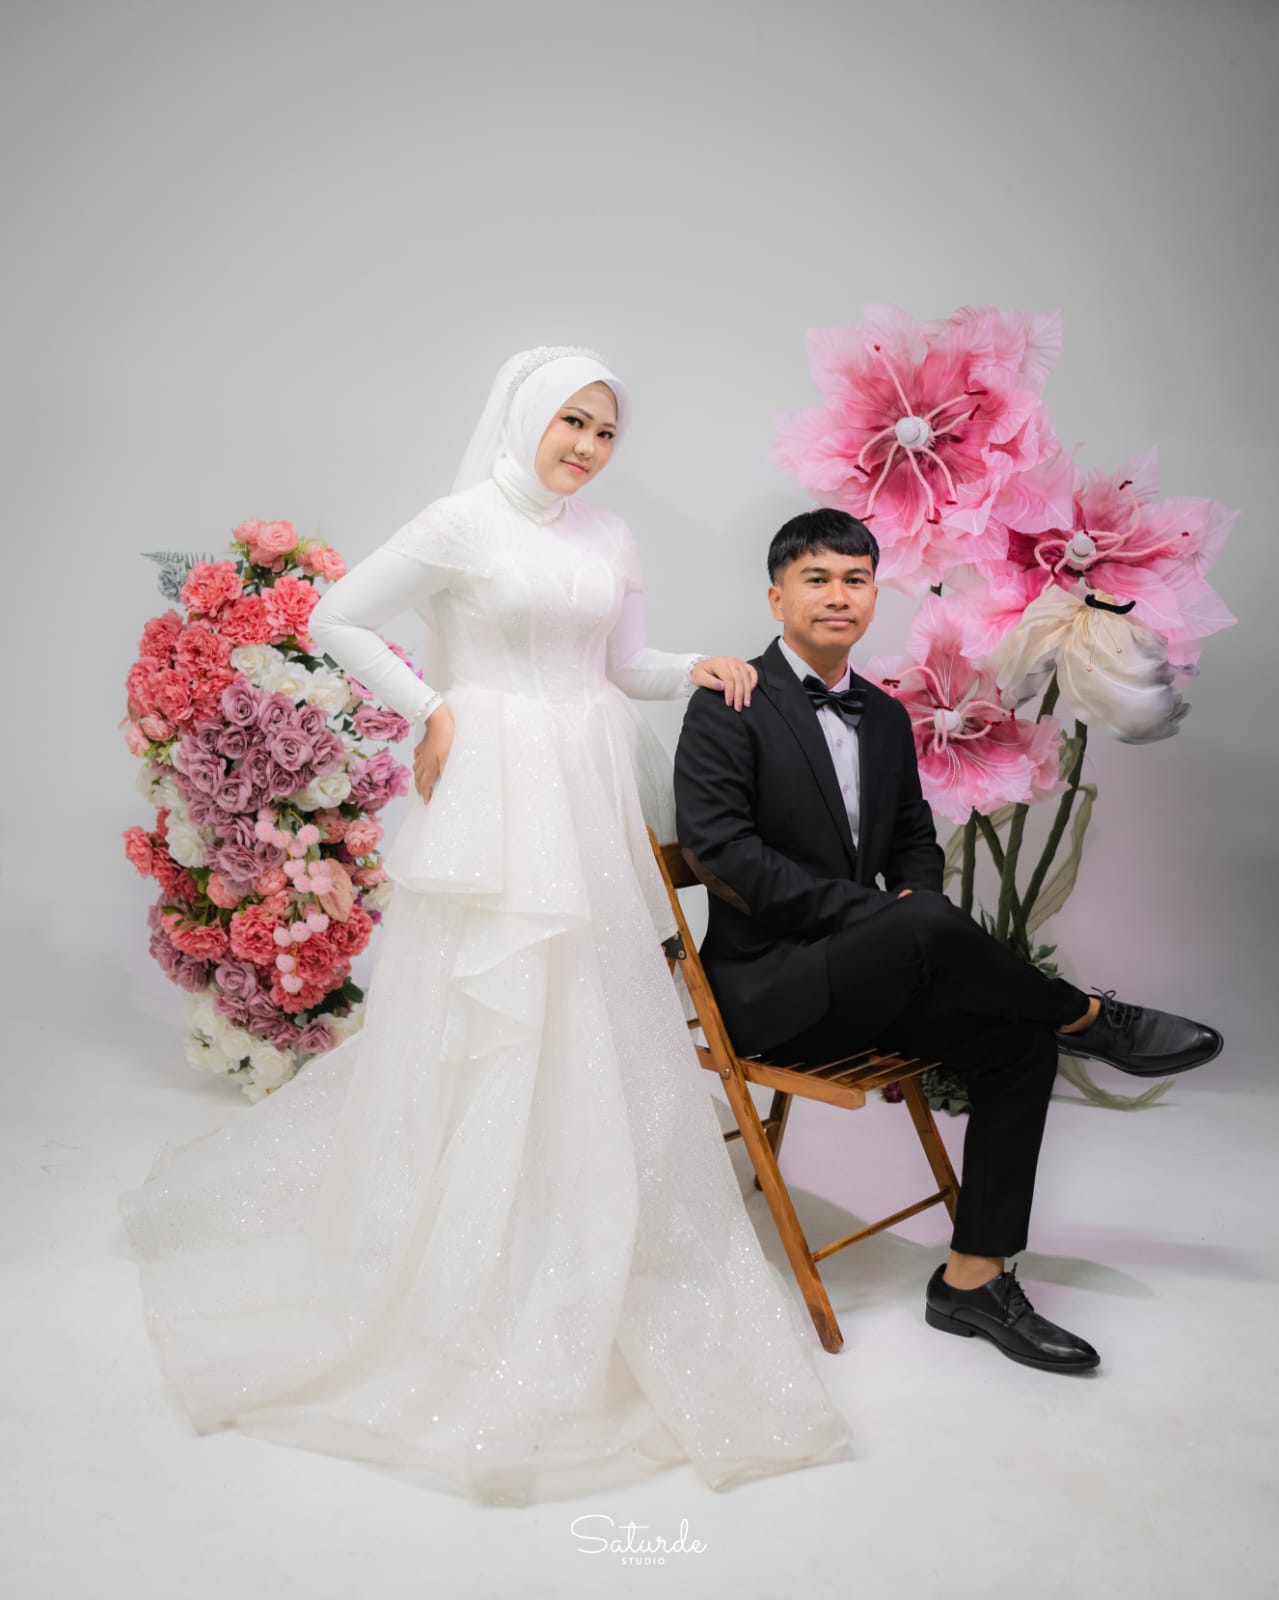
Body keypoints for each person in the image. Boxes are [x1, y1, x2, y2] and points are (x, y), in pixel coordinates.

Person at [117, 347, 853, 1505]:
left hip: (587, 779)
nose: (587, 447)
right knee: (492, 998)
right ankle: (469, 1246)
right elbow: (338, 617)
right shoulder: (460, 522)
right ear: (525, 417)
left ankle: (579, 1220)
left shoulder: (609, 534)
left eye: (604, 431)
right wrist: (435, 707)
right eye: (571, 421)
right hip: (500, 782)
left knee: (591, 1000)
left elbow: (622, 664)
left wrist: (696, 668)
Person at [672, 506, 1223, 1375]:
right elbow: (725, 856)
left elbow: (913, 843)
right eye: (816, 579)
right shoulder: (727, 706)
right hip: (768, 995)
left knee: (1015, 1043)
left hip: (865, 979)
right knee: (924, 923)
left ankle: (972, 1281)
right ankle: (1089, 1018)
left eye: (855, 579)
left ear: (872, 596)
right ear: (776, 597)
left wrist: (908, 911)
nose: (838, 595)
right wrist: (889, 920)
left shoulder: (884, 717)